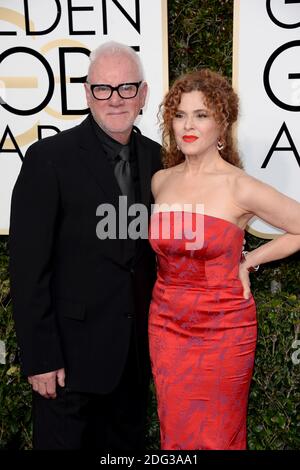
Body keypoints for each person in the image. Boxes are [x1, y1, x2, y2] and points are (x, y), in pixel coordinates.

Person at [9, 41, 162, 450]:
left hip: (132, 362)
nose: (115, 99)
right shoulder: (49, 158)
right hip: (67, 366)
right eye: (103, 89)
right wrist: (41, 357)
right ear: (87, 93)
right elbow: (27, 269)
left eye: (127, 88)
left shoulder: (158, 160)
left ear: (143, 94)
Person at [148, 68, 300, 450]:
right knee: (176, 432)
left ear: (223, 122)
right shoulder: (161, 181)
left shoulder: (239, 185)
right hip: (166, 324)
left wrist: (250, 261)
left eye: (201, 115)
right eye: (180, 114)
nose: (188, 125)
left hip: (224, 328)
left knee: (218, 434)